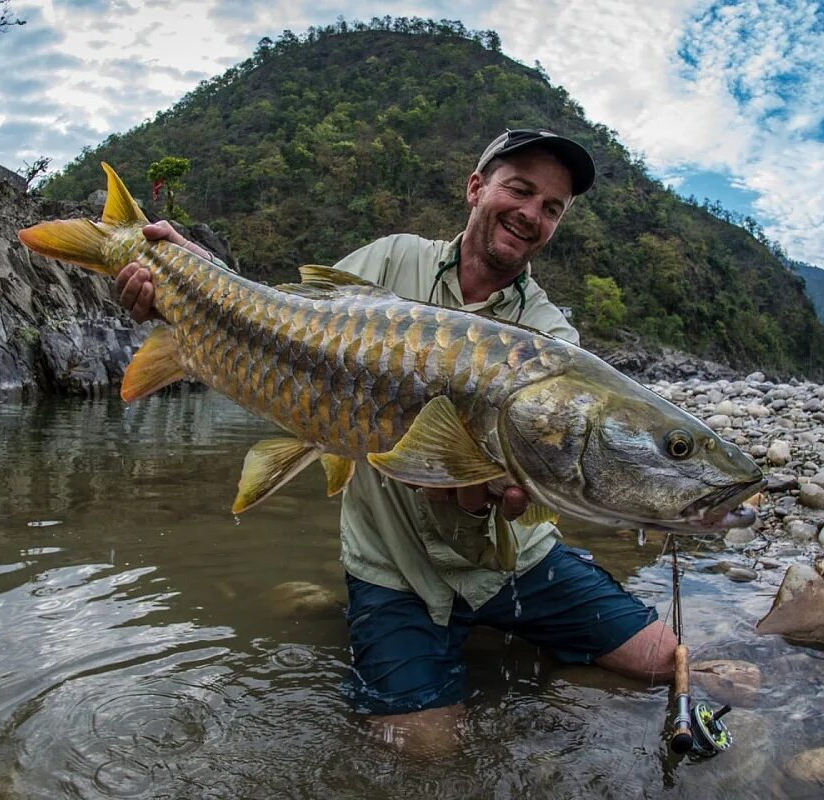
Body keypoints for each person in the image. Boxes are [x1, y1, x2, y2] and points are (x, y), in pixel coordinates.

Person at [116, 129, 677, 755]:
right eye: (520, 191)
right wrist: (191, 276)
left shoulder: (550, 336)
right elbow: (279, 319)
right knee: (426, 755)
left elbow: (511, 501)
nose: (531, 215)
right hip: (394, 567)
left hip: (512, 561)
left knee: (667, 664)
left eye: (552, 209)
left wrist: (477, 495)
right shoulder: (390, 260)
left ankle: (533, 653)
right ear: (476, 188)